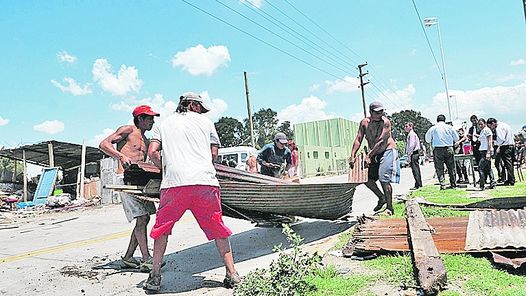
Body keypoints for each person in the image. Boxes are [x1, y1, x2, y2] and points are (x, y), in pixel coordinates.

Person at [145, 92, 240, 291]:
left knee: (161, 229)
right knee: (217, 227)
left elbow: (152, 152)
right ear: (192, 105)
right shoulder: (206, 123)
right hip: (205, 182)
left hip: (174, 184)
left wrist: (167, 168)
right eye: (199, 107)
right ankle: (232, 274)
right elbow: (214, 154)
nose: (200, 111)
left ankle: (154, 276)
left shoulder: (164, 125)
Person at [99, 105, 159, 271]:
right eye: (150, 118)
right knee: (141, 218)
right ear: (140, 118)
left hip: (139, 178)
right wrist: (121, 155)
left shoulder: (147, 141)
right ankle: (147, 259)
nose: (153, 121)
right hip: (125, 179)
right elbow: (103, 144)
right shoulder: (127, 130)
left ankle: (128, 257)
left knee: (145, 218)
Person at [349, 101, 399, 215]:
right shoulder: (364, 123)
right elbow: (358, 139)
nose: (380, 114)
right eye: (377, 112)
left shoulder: (385, 122)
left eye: (382, 111)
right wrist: (352, 155)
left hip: (387, 150)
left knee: (383, 178)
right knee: (366, 179)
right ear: (371, 112)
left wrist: (369, 156)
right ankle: (382, 198)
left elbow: (381, 141)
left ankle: (390, 208)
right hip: (374, 153)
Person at [425, 114, 459, 190]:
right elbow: (456, 138)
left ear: (437, 120)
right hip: (449, 148)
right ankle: (453, 184)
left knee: (439, 168)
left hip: (438, 149)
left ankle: (442, 184)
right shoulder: (450, 128)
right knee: (451, 167)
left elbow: (427, 139)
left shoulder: (433, 128)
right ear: (444, 120)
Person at [487, 118, 515, 186]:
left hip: (505, 147)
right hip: (511, 145)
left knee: (508, 164)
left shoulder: (499, 128)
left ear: (493, 123)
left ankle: (511, 180)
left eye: (490, 126)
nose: (491, 128)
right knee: (510, 164)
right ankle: (511, 178)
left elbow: (501, 139)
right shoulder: (505, 125)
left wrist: (495, 143)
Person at [477, 118, 496, 190]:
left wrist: (488, 152)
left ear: (485, 123)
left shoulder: (487, 130)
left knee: (480, 168)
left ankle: (482, 184)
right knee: (488, 168)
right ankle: (492, 182)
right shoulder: (482, 131)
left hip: (486, 151)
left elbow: (490, 141)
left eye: (481, 124)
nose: (480, 126)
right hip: (483, 150)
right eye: (479, 124)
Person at [404, 122, 422, 189]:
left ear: (411, 127)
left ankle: (418, 184)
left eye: (406, 126)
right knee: (415, 169)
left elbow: (411, 145)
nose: (405, 128)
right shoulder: (411, 134)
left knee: (415, 170)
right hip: (414, 153)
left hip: (414, 153)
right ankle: (418, 183)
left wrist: (409, 154)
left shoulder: (411, 134)